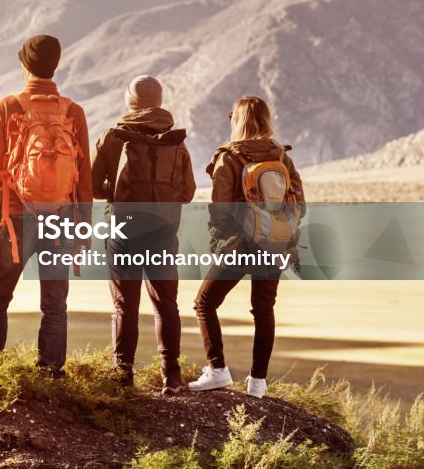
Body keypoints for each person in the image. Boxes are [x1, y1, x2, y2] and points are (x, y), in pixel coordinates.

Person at [0, 34, 94, 376]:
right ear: (56, 65)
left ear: (25, 64)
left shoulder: (9, 105)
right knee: (55, 305)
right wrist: (83, 228)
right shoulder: (73, 112)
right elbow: (83, 176)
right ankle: (51, 376)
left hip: (15, 217)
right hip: (61, 218)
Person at [188, 95, 305, 399]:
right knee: (264, 310)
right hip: (276, 245)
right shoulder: (281, 157)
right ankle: (258, 382)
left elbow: (219, 209)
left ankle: (217, 371)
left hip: (239, 246)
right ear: (266, 120)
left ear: (236, 121)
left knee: (204, 303)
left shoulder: (229, 157)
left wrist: (221, 242)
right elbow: (299, 205)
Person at [90, 75, 196, 394]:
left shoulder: (113, 138)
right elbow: (188, 192)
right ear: (160, 101)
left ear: (129, 101)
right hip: (163, 232)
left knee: (125, 306)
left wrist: (118, 193)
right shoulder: (175, 141)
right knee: (166, 304)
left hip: (123, 232)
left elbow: (94, 187)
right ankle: (172, 375)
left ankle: (123, 376)